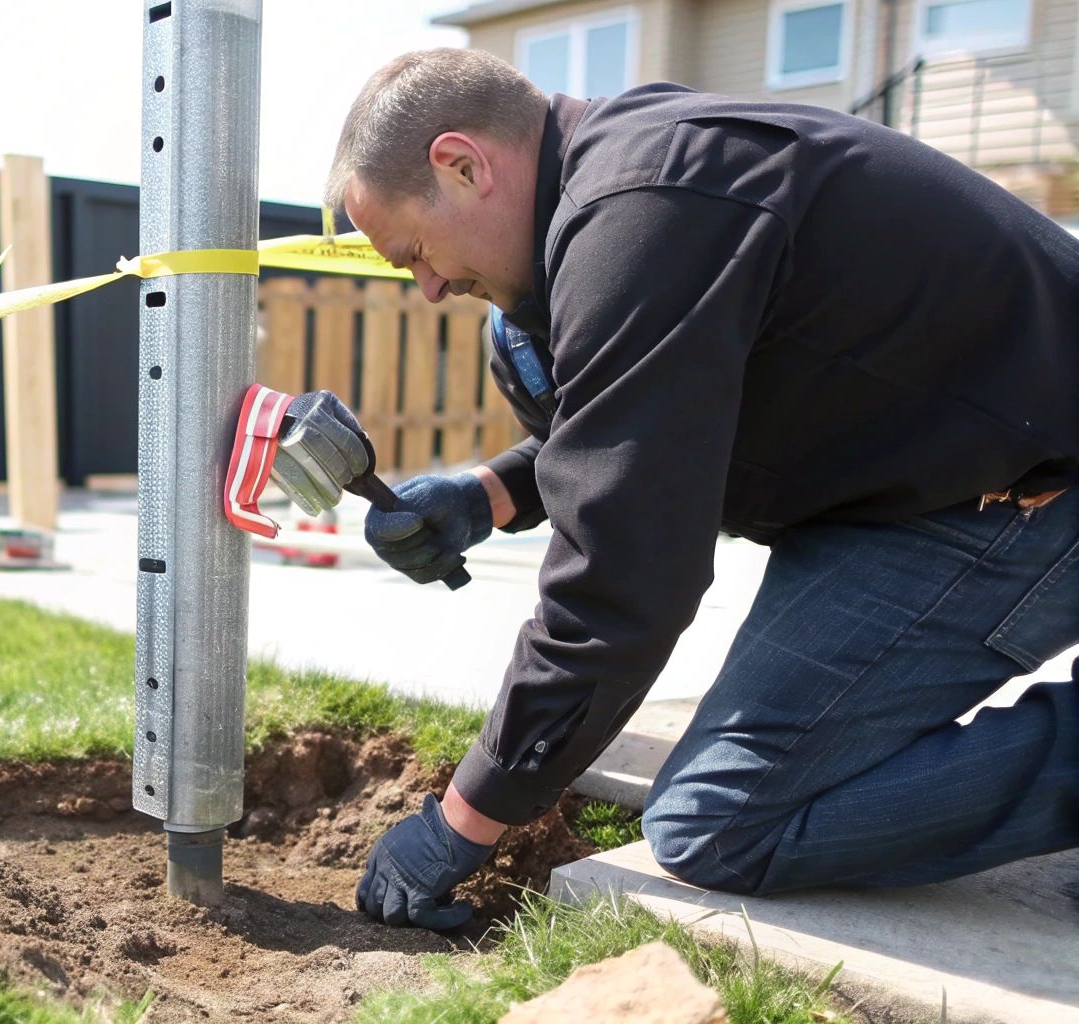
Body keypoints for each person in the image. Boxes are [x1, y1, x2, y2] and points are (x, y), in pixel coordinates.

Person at [267, 48, 1079, 931]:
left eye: (417, 252)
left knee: (718, 826)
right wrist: (485, 496)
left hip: (1031, 485)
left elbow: (624, 585)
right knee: (722, 809)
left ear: (462, 164)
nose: (427, 289)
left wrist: (465, 821)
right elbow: (646, 432)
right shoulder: (611, 201)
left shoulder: (643, 211)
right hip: (912, 492)